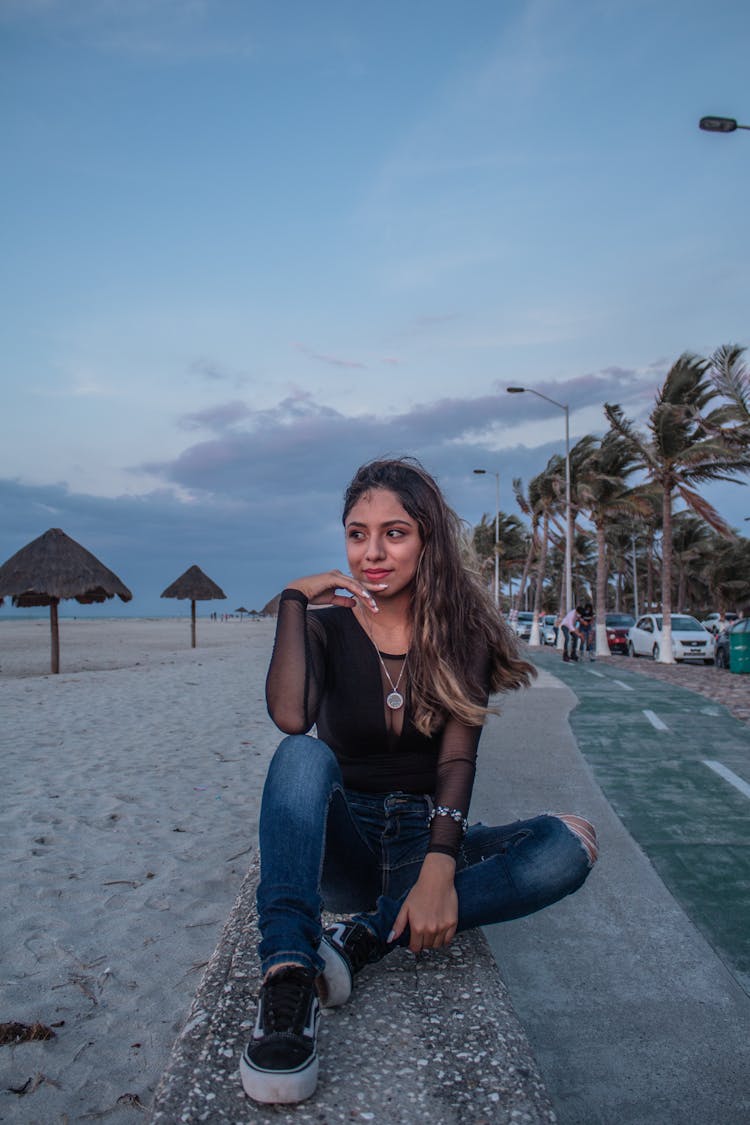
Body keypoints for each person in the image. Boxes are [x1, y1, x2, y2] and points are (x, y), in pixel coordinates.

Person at [240, 458, 598, 1105]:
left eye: (394, 532)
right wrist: (294, 598)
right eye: (357, 533)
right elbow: (291, 715)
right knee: (300, 755)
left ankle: (363, 936)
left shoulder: (461, 637)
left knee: (568, 846)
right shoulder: (323, 629)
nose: (372, 551)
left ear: (426, 537)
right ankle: (289, 975)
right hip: (344, 846)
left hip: (420, 840)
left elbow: (456, 761)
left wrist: (439, 864)